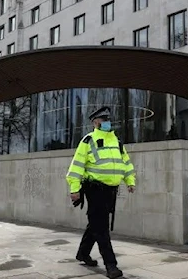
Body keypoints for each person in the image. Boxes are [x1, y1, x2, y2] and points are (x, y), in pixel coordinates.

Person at [66, 106, 136, 279]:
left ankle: (83, 253)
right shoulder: (88, 140)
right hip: (94, 189)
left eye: (108, 119)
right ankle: (111, 265)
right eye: (103, 120)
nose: (107, 122)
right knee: (101, 227)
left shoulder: (117, 142)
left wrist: (130, 181)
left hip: (111, 191)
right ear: (95, 122)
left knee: (96, 224)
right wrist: (74, 190)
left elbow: (125, 163)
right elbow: (76, 167)